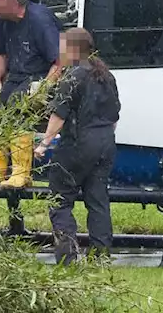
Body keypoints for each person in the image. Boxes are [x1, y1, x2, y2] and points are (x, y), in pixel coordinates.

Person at [35, 27, 120, 264]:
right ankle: (101, 256)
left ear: (73, 49)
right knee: (98, 201)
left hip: (78, 143)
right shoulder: (106, 75)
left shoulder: (73, 76)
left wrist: (44, 144)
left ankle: (67, 257)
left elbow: (59, 115)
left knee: (60, 200)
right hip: (105, 142)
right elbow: (115, 115)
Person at [0, 0, 62, 188]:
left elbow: (59, 60)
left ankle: (21, 174)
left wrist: (44, 89)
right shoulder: (0, 20)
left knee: (18, 107)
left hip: (41, 74)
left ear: (13, 3)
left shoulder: (39, 19)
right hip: (17, 75)